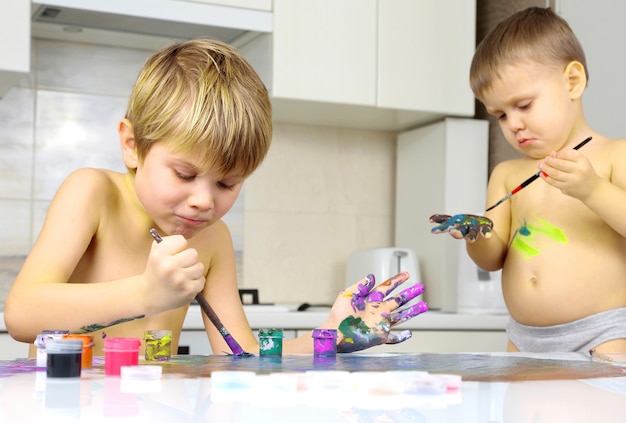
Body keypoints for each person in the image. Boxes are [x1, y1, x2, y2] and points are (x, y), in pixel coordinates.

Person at [4, 39, 427, 357]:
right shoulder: (92, 193)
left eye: (227, 184)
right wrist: (146, 294)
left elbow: (239, 355)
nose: (203, 201)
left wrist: (330, 337)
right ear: (132, 145)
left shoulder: (212, 239)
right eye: (184, 174)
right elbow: (21, 315)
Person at [431, 7, 626, 353]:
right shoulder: (506, 174)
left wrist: (593, 189)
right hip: (524, 339)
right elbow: (493, 258)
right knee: (519, 408)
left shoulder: (614, 156)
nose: (513, 124)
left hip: (602, 334)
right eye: (501, 115)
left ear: (572, 82)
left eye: (524, 105)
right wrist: (477, 235)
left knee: (604, 406)